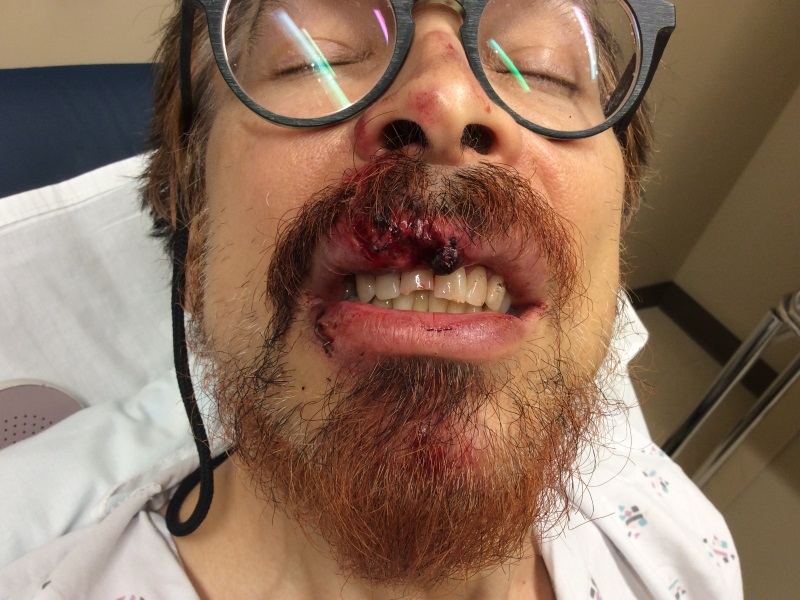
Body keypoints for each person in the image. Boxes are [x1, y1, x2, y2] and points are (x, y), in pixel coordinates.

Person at [1, 1, 743, 598]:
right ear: (193, 257)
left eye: (542, 68)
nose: (446, 101)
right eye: (316, 58)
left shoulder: (678, 545)